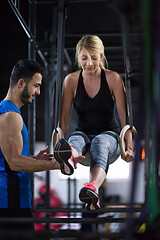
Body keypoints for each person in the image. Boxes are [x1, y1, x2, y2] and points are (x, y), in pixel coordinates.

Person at [0, 59, 82, 232]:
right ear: (21, 83)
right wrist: (55, 164)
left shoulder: (10, 113)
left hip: (16, 200)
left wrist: (33, 159)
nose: (38, 92)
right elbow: (14, 162)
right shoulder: (10, 116)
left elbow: (7, 159)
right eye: (36, 86)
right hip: (10, 202)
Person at [60, 35, 134, 211]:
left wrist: (129, 146)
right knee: (75, 141)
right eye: (84, 58)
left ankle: (92, 188)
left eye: (94, 58)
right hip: (82, 133)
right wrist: (58, 143)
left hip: (109, 136)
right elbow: (64, 118)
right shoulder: (71, 80)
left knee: (99, 143)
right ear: (78, 56)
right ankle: (67, 157)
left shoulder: (113, 78)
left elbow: (125, 117)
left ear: (101, 56)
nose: (89, 63)